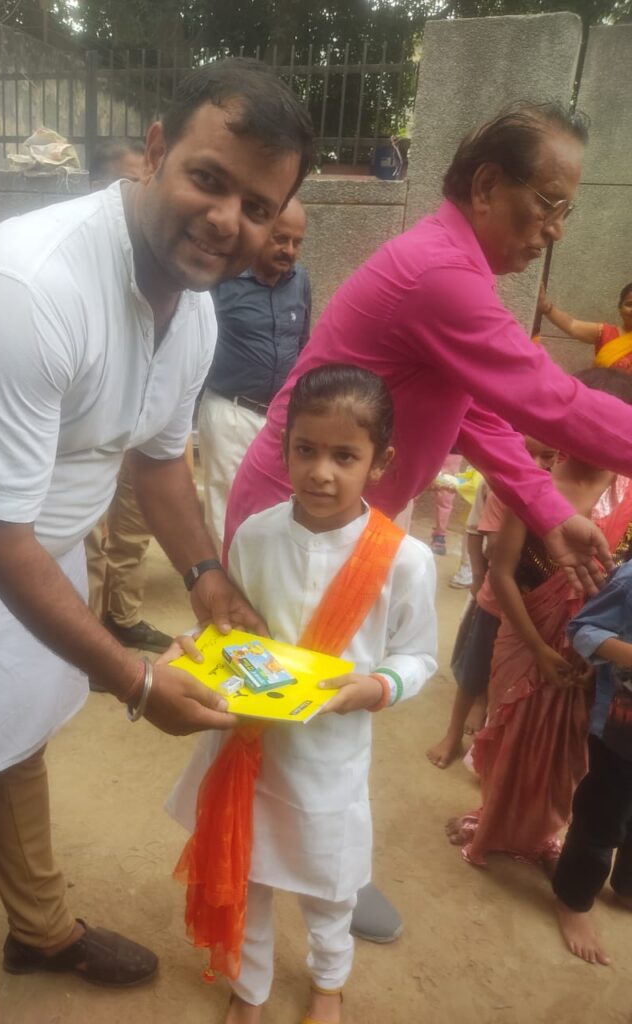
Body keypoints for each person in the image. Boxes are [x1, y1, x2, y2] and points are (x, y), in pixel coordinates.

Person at [0, 59, 314, 1024]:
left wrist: (206, 579)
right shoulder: (27, 287)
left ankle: (40, 929)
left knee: (17, 736)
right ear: (154, 152)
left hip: (35, 540)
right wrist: (138, 680)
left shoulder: (191, 307)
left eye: (258, 203)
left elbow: (156, 462)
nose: (227, 218)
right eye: (208, 177)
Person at [224, 99, 632, 941]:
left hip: (350, 526)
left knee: (336, 704)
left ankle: (326, 871)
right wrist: (548, 498)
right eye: (548, 203)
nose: (555, 229)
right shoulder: (441, 275)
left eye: (568, 210)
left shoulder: (455, 271)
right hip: (297, 517)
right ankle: (270, 867)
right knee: (284, 711)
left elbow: (474, 410)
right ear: (487, 186)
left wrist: (548, 505)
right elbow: (551, 402)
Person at [167, 365, 437, 1024]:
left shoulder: (404, 560)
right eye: (306, 450)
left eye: (345, 455)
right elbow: (237, 630)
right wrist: (198, 651)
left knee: (330, 886)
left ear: (381, 462)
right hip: (247, 749)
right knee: (249, 875)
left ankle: (328, 983)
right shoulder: (256, 536)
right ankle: (250, 989)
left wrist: (374, 686)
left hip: (330, 759)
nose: (321, 471)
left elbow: (419, 656)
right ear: (283, 447)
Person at [446, 369, 632, 868]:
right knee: (512, 740)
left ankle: (544, 835)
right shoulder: (536, 485)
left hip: (594, 657)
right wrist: (539, 649)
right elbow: (503, 575)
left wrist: (598, 655)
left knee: (567, 752)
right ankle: (494, 825)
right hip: (528, 640)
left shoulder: (630, 496)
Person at [85, 136, 175, 655]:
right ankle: (91, 635)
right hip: (93, 427)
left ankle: (123, 616)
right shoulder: (73, 266)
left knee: (134, 527)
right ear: (98, 185)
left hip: (145, 422)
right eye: (128, 178)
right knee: (88, 536)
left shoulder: (162, 264)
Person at [426, 439, 558, 770]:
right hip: (496, 601)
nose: (538, 463)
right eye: (529, 453)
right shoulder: (503, 489)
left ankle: (492, 735)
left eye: (548, 455)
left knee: (518, 678)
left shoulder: (562, 496)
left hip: (539, 610)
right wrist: (481, 574)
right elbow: (492, 545)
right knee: (474, 669)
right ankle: (453, 734)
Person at [198, 196, 310, 550]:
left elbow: (304, 344)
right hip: (230, 410)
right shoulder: (223, 279)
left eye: (297, 242)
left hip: (280, 417)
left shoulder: (300, 281)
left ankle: (263, 579)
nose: (289, 250)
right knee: (227, 501)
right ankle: (228, 584)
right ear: (260, 232)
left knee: (279, 502)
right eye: (280, 239)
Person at [553, 549, 632, 965]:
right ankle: (574, 899)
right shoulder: (630, 580)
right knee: (602, 818)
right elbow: (582, 630)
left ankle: (626, 886)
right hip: (622, 734)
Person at [538, 280, 632, 371]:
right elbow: (572, 325)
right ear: (620, 308)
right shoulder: (606, 333)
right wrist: (546, 306)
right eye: (629, 304)